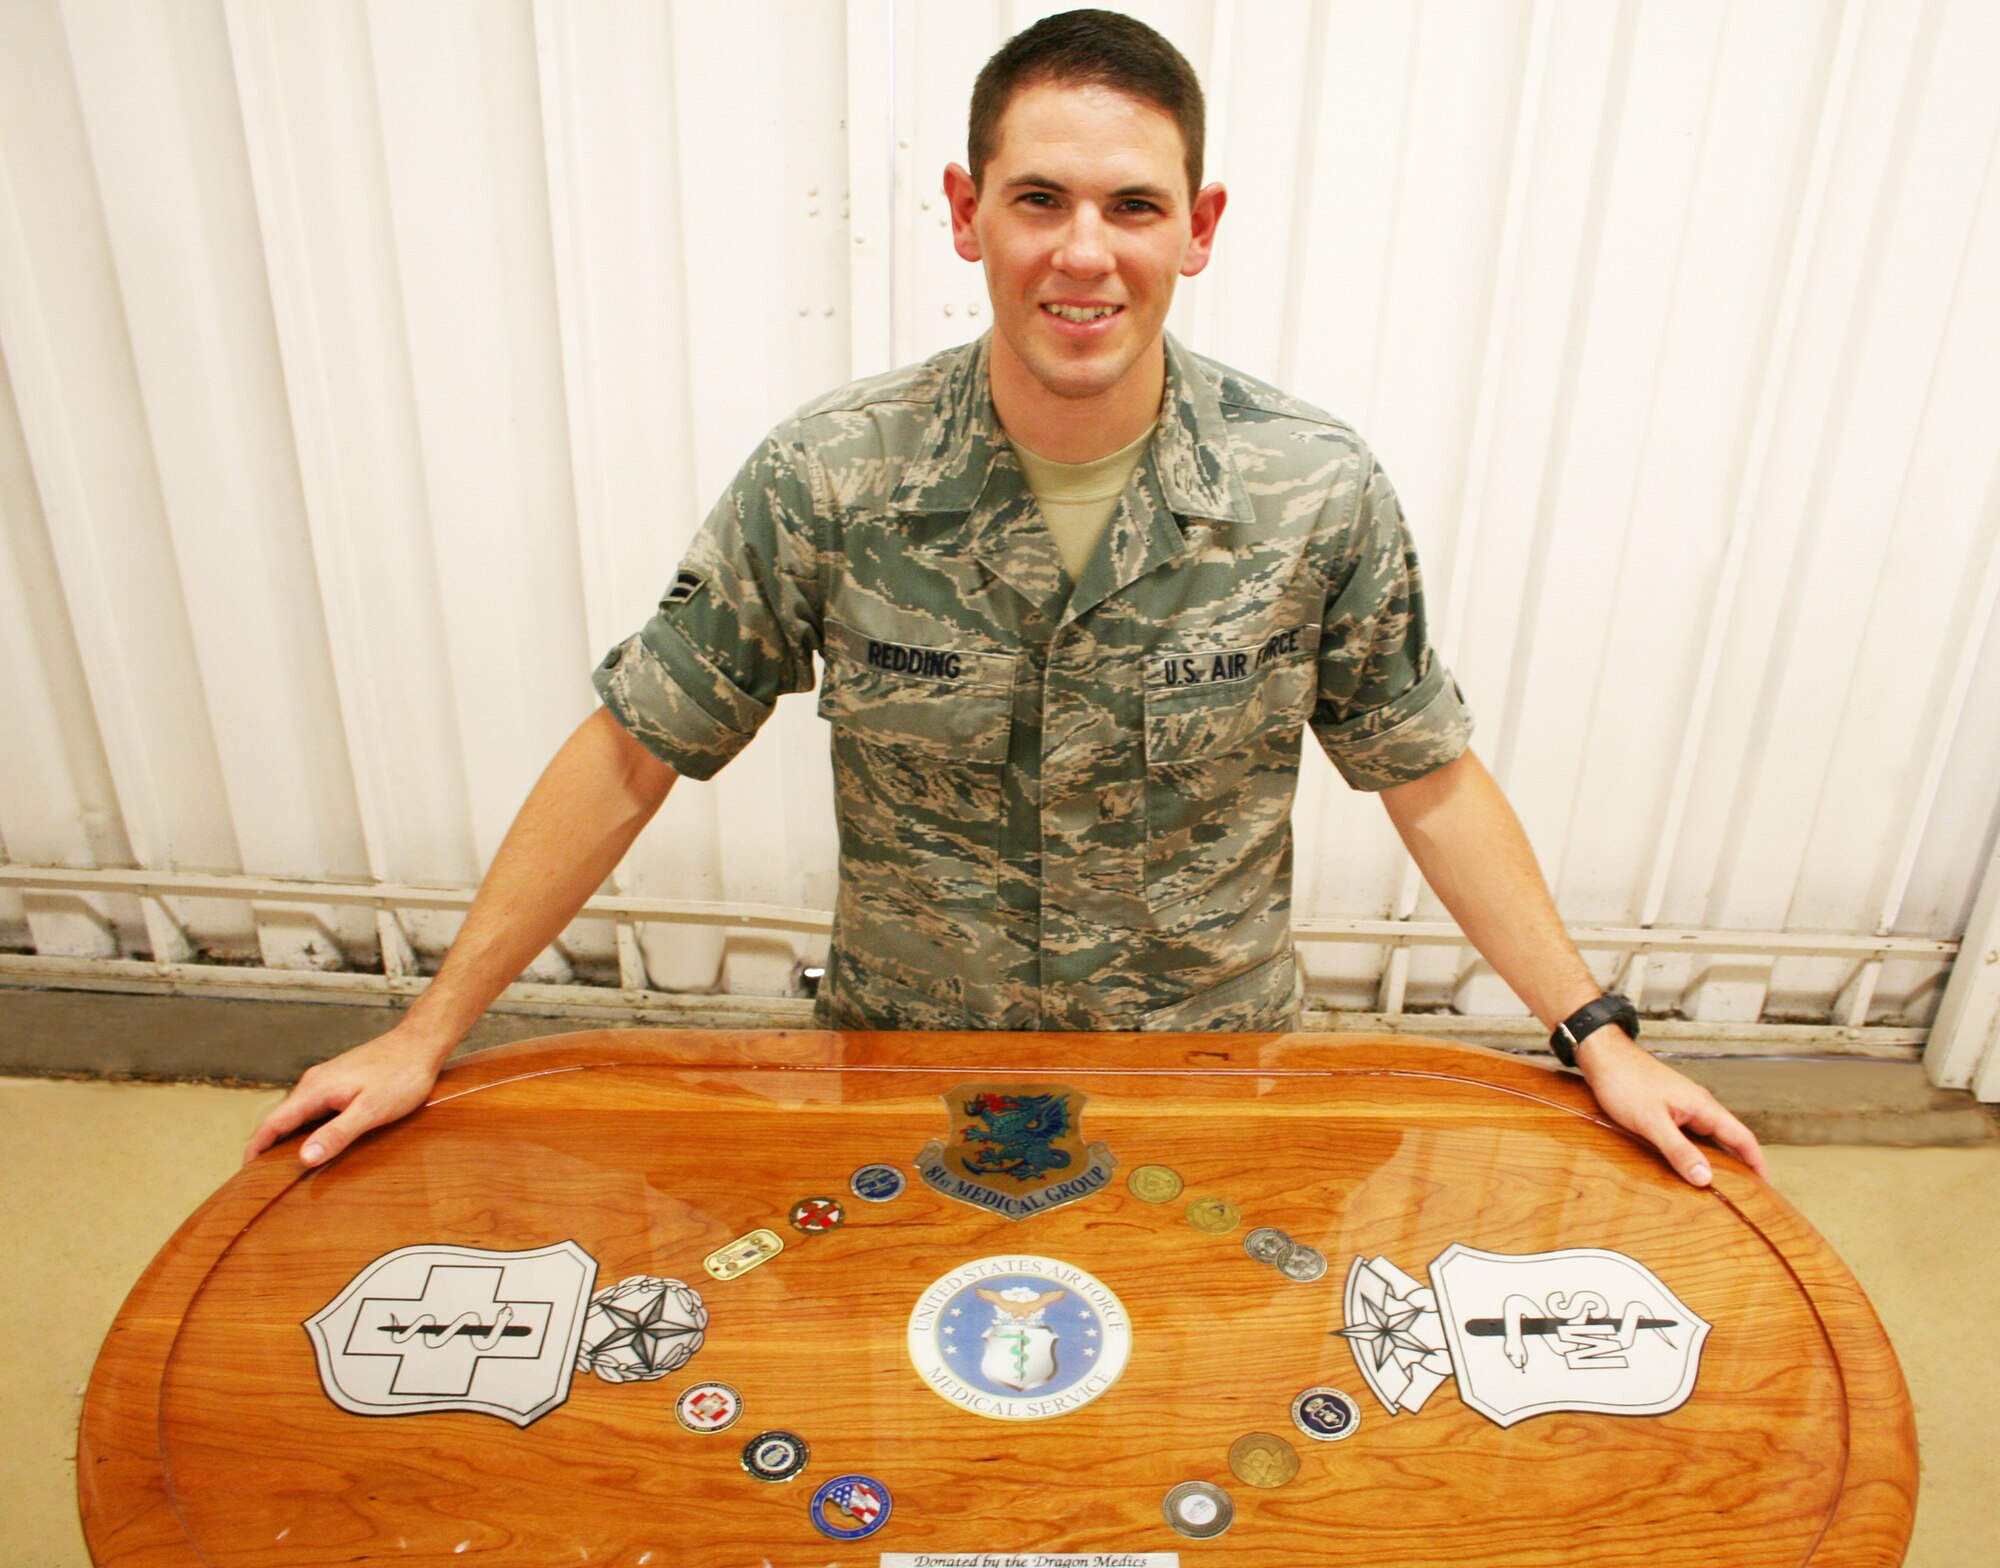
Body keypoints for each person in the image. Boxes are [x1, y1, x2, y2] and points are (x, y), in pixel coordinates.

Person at [245, 9, 1766, 1189]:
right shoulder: (835, 476)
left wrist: (1600, 1038)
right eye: (1040, 199)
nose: (1083, 253)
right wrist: (426, 1034)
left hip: (1204, 1080)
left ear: (1200, 227)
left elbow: (1425, 776)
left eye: (1133, 206)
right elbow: (638, 745)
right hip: (909, 1081)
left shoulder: (1312, 489)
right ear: (968, 211)